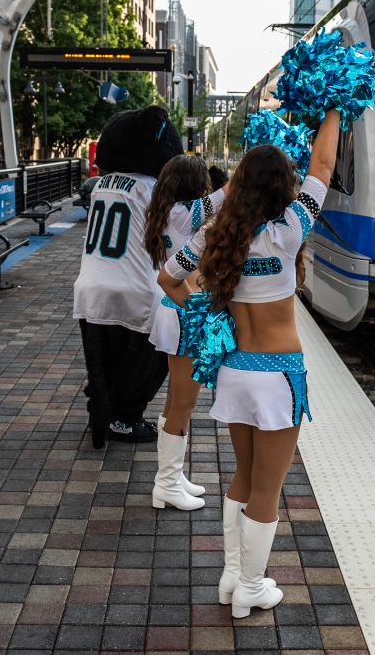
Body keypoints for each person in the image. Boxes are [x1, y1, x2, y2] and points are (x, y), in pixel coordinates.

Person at [159, 110, 340, 619]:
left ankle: (232, 577)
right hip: (279, 375)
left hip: (235, 371)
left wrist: (202, 303)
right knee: (269, 487)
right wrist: (335, 108)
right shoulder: (288, 229)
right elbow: (322, 166)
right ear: (283, 186)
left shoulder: (216, 234)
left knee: (242, 476)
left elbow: (167, 280)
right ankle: (252, 587)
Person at [73, 106, 183, 448]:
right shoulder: (152, 187)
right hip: (136, 291)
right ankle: (124, 418)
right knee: (155, 355)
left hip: (90, 288)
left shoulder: (102, 184)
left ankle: (102, 404)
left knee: (102, 359)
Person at [145, 155, 228, 511]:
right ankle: (166, 484)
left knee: (175, 398)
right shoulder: (186, 214)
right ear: (196, 185)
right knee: (184, 401)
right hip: (184, 309)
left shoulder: (166, 212)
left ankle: (172, 477)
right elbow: (228, 193)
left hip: (174, 308)